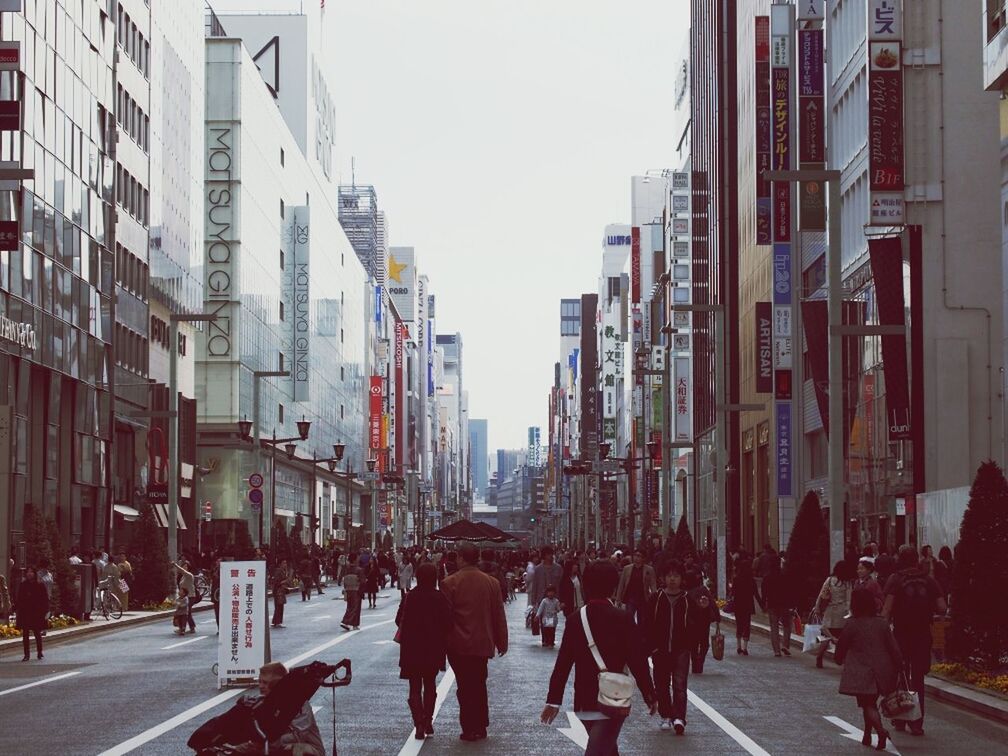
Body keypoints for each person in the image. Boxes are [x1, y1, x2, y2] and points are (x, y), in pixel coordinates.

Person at [542, 560, 657, 754]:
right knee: (602, 750)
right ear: (613, 586)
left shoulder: (575, 619)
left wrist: (554, 700)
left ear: (586, 585)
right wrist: (649, 694)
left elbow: (563, 664)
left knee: (607, 750)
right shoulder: (623, 618)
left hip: (585, 700)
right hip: (614, 699)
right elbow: (637, 661)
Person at [440, 543, 509, 742]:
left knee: (464, 685)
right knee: (479, 683)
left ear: (461, 558)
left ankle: (469, 726)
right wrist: (502, 641)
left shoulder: (450, 582)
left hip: (458, 643)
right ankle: (481, 724)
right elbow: (498, 614)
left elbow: (446, 617)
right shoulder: (491, 582)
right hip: (482, 642)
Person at [882, 544, 946, 736]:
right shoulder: (928, 580)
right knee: (918, 678)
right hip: (922, 635)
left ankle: (900, 716)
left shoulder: (895, 579)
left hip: (901, 635)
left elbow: (886, 612)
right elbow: (942, 608)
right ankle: (917, 722)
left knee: (900, 674)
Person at [642, 560, 711, 734]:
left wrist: (704, 609)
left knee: (680, 684)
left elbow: (699, 625)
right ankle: (666, 716)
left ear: (682, 579)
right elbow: (647, 623)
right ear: (663, 578)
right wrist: (651, 647)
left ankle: (680, 717)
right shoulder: (656, 598)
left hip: (681, 649)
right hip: (661, 649)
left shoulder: (688, 599)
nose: (673, 579)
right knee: (662, 684)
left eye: (676, 576)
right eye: (669, 576)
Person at [835, 588, 903, 751]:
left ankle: (880, 731)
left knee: (867, 704)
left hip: (861, 670)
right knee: (869, 702)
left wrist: (838, 658)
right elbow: (893, 648)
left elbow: (841, 646)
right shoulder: (881, 623)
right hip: (884, 669)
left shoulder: (852, 624)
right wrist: (899, 665)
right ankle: (867, 734)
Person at [396, 562, 453, 740]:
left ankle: (418, 723)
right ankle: (428, 720)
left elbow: (399, 620)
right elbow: (449, 622)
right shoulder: (439, 597)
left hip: (411, 646)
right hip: (433, 646)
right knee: (430, 684)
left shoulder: (409, 597)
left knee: (414, 686)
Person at [229, 662, 325, 755]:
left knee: (289, 749)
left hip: (309, 749)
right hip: (274, 746)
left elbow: (298, 736)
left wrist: (263, 744)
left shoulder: (298, 702)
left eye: (266, 683)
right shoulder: (261, 702)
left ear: (278, 683)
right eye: (260, 681)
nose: (261, 686)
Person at [816, 561, 853, 669]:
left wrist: (817, 607)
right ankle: (841, 658)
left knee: (826, 635)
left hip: (830, 610)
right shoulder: (847, 583)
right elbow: (848, 599)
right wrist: (849, 612)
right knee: (842, 636)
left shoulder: (830, 580)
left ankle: (819, 656)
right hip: (842, 612)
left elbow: (821, 594)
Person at [686, 569, 720, 673]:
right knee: (704, 643)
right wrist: (717, 616)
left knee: (693, 644)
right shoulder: (703, 589)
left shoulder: (686, 593)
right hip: (704, 621)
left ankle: (695, 663)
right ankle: (700, 661)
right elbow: (712, 603)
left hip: (692, 622)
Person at [759, 554, 793, 657]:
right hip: (784, 604)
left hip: (772, 604)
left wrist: (763, 605)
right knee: (787, 625)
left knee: (774, 627)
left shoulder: (767, 577)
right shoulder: (785, 575)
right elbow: (790, 591)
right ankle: (785, 645)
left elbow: (764, 593)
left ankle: (777, 651)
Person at [615, 549, 657, 623]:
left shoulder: (649, 570)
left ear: (643, 558)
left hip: (643, 598)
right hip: (630, 598)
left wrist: (654, 598)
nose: (636, 558)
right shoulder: (627, 569)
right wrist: (618, 598)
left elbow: (653, 584)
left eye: (639, 556)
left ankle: (640, 633)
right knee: (629, 618)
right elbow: (621, 584)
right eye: (635, 555)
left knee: (642, 619)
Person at [15, 567, 48, 660]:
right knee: (25, 634)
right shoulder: (23, 585)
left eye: (31, 572)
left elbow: (44, 599)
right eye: (28, 572)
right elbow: (19, 598)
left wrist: (45, 611)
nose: (29, 574)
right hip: (25, 612)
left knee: (37, 632)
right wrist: (16, 607)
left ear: (34, 573)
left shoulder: (40, 585)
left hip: (36, 612)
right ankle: (26, 654)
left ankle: (39, 651)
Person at [731, 558, 759, 655]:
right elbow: (756, 594)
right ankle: (745, 647)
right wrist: (762, 605)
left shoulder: (736, 579)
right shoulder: (751, 580)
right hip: (748, 604)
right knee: (747, 624)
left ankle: (738, 646)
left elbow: (733, 593)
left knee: (739, 624)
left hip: (738, 604)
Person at [529, 547, 563, 618]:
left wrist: (562, 600)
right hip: (541, 598)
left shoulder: (558, 568)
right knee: (542, 620)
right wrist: (533, 600)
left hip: (554, 599)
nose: (551, 556)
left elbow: (561, 584)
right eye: (548, 554)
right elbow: (535, 585)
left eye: (552, 554)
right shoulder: (538, 569)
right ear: (544, 556)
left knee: (552, 621)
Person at [174, 560, 197, 634]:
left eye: (186, 566)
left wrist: (175, 565)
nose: (184, 567)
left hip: (190, 596)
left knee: (187, 612)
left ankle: (190, 627)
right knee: (182, 612)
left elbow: (182, 571)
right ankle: (182, 627)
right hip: (183, 597)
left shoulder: (189, 575)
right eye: (184, 566)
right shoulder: (183, 577)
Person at [340, 563, 362, 631]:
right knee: (355, 607)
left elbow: (342, 579)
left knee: (350, 606)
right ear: (356, 559)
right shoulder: (359, 570)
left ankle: (354, 624)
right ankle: (346, 622)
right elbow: (362, 581)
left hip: (348, 590)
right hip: (356, 590)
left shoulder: (346, 569)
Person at [272, 559, 290, 628]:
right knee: (278, 606)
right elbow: (277, 582)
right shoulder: (278, 571)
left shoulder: (283, 571)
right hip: (278, 591)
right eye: (284, 563)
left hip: (281, 591)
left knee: (280, 606)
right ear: (280, 564)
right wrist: (285, 581)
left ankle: (276, 621)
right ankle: (277, 622)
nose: (285, 565)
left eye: (286, 563)